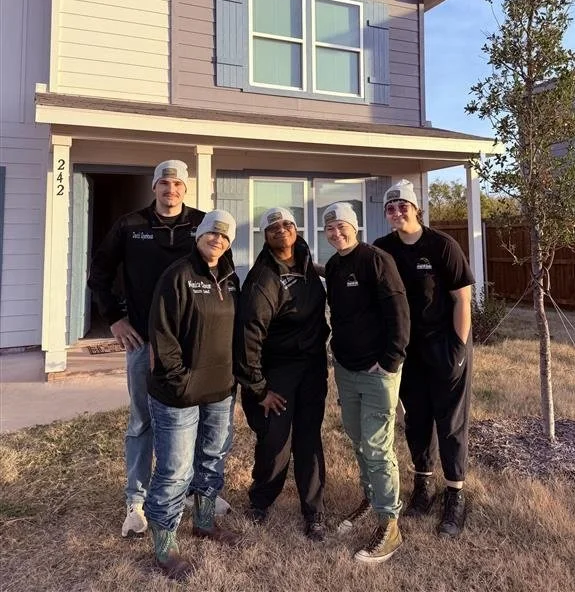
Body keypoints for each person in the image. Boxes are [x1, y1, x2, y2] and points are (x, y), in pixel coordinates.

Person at [88, 160, 228, 537]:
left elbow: (224, 277)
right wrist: (115, 318)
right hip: (144, 343)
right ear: (155, 187)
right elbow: (99, 273)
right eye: (164, 183)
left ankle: (197, 492)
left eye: (178, 184)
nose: (171, 190)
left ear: (186, 189)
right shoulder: (130, 226)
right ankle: (136, 500)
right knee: (142, 420)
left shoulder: (203, 224)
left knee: (198, 419)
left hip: (195, 345)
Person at [373, 179, 474, 538]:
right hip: (407, 350)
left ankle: (455, 494)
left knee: (450, 422)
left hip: (445, 344)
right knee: (416, 420)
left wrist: (459, 350)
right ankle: (423, 486)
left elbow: (462, 300)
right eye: (391, 207)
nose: (397, 212)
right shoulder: (382, 249)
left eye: (403, 206)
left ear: (416, 208)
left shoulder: (442, 246)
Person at [145, 210, 240, 579]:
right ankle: (164, 544)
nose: (217, 239)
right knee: (175, 470)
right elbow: (162, 333)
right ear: (199, 236)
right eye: (211, 233)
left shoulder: (230, 279)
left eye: (224, 235)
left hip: (221, 389)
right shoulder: (179, 275)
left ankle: (203, 521)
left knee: (213, 457)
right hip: (178, 392)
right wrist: (179, 380)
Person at [234, 207, 329, 542]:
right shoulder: (262, 279)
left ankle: (314, 510)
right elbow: (249, 335)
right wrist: (259, 388)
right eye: (273, 227)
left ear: (296, 229)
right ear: (265, 236)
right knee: (276, 440)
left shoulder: (307, 264)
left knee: (309, 436)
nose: (282, 230)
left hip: (313, 366)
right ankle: (261, 500)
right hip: (279, 371)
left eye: (287, 224)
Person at [323, 202, 410, 564]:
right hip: (346, 368)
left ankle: (390, 525)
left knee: (377, 447)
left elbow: (399, 312)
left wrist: (389, 361)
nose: (336, 233)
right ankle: (371, 499)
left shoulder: (376, 259)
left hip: (377, 371)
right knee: (358, 439)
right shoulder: (333, 265)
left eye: (341, 226)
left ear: (354, 227)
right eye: (329, 228)